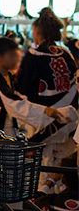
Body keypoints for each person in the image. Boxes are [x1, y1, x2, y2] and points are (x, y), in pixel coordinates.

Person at [14, 9, 78, 177]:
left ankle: (40, 199)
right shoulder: (66, 54)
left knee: (42, 166)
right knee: (62, 167)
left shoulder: (34, 55)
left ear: (37, 32)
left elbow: (22, 88)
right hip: (69, 119)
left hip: (44, 119)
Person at [0, 37, 70, 143]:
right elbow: (12, 102)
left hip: (7, 128)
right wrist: (45, 110)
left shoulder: (9, 76)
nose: (16, 59)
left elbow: (20, 98)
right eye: (11, 55)